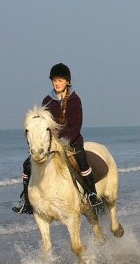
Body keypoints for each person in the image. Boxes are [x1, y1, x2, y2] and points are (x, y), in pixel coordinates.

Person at [12, 63, 103, 214]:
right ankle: (27, 201)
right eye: (54, 80)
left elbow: (76, 125)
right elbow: (41, 125)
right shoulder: (47, 100)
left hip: (72, 141)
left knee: (82, 162)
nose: (57, 83)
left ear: (67, 81)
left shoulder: (75, 100)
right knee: (27, 165)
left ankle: (92, 194)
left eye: (60, 80)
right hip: (51, 144)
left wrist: (64, 140)